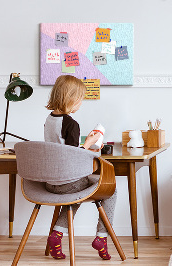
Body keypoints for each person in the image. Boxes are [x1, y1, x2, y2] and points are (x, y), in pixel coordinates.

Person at [44, 75, 117, 260]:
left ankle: (57, 235)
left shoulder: (49, 120)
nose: (80, 103)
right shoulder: (71, 124)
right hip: (67, 182)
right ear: (71, 99)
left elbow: (62, 149)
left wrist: (86, 145)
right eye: (80, 99)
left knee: (75, 194)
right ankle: (102, 237)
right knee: (110, 189)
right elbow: (73, 156)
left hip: (50, 182)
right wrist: (90, 143)